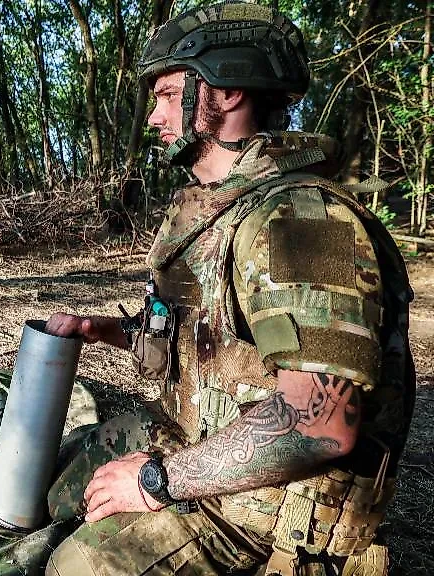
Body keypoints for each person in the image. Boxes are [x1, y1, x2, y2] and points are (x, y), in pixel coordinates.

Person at [42, 3, 414, 575]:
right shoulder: (215, 210)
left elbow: (320, 424)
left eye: (167, 94)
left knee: (81, 566)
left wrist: (154, 481)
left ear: (227, 92)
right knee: (62, 482)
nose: (153, 118)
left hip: (271, 507)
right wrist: (109, 332)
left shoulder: (298, 222)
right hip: (199, 440)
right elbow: (210, 343)